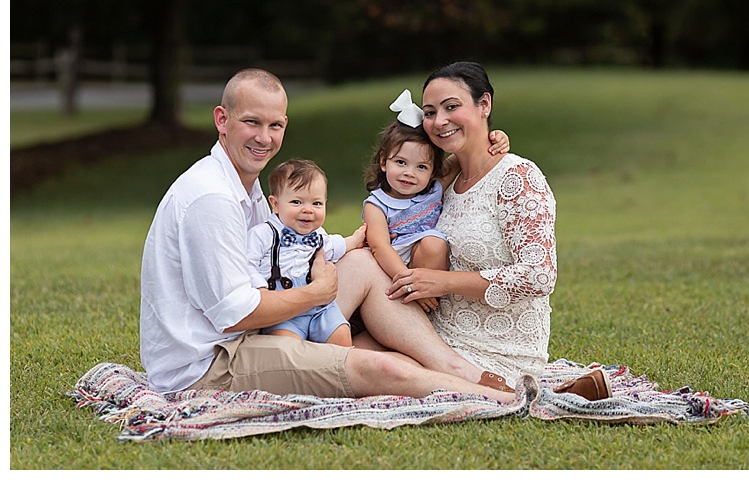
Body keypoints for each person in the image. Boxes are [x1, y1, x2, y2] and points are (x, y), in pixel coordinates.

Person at [139, 68, 517, 399]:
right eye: (251, 122)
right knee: (381, 368)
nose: (264, 138)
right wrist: (316, 294)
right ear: (222, 119)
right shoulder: (212, 198)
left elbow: (280, 256)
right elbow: (235, 315)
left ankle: (456, 368)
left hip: (246, 338)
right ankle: (504, 400)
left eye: (275, 125)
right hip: (211, 365)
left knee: (363, 261)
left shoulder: (247, 187)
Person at [383, 61, 611, 401]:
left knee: (373, 369)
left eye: (451, 107)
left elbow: (539, 275)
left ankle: (525, 394)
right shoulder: (442, 180)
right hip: (435, 334)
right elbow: (393, 218)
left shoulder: (517, 178)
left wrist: (441, 282)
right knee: (354, 352)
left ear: (484, 105)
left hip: (497, 351)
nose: (439, 121)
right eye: (429, 112)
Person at [362, 90, 510, 313]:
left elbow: (467, 153)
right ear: (383, 161)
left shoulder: (433, 188)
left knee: (433, 243)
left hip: (428, 270)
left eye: (421, 166)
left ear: (433, 171)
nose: (409, 173)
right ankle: (411, 307)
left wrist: (496, 138)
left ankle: (429, 308)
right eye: (401, 162)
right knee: (431, 243)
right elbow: (379, 247)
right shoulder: (377, 204)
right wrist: (409, 282)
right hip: (392, 271)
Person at [247, 159, 365, 347]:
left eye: (317, 203)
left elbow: (333, 246)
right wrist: (260, 290)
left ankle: (337, 371)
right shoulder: (263, 234)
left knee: (341, 337)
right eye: (296, 202)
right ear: (275, 204)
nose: (308, 210)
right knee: (287, 347)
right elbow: (248, 264)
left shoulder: (318, 234)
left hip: (321, 309)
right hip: (284, 311)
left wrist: (355, 240)